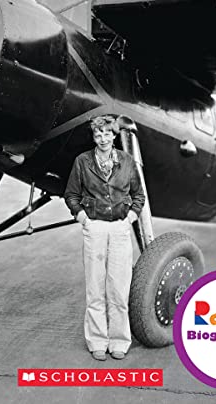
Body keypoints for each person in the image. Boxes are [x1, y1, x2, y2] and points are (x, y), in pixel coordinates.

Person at [64, 115, 145, 361]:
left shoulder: (127, 161)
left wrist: (129, 219)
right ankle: (97, 340)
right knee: (95, 288)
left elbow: (139, 195)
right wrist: (83, 219)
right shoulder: (82, 161)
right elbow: (71, 195)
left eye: (107, 133)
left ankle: (119, 340)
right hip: (95, 228)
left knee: (119, 289)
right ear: (93, 136)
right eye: (98, 134)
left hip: (120, 228)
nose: (103, 139)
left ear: (114, 135)